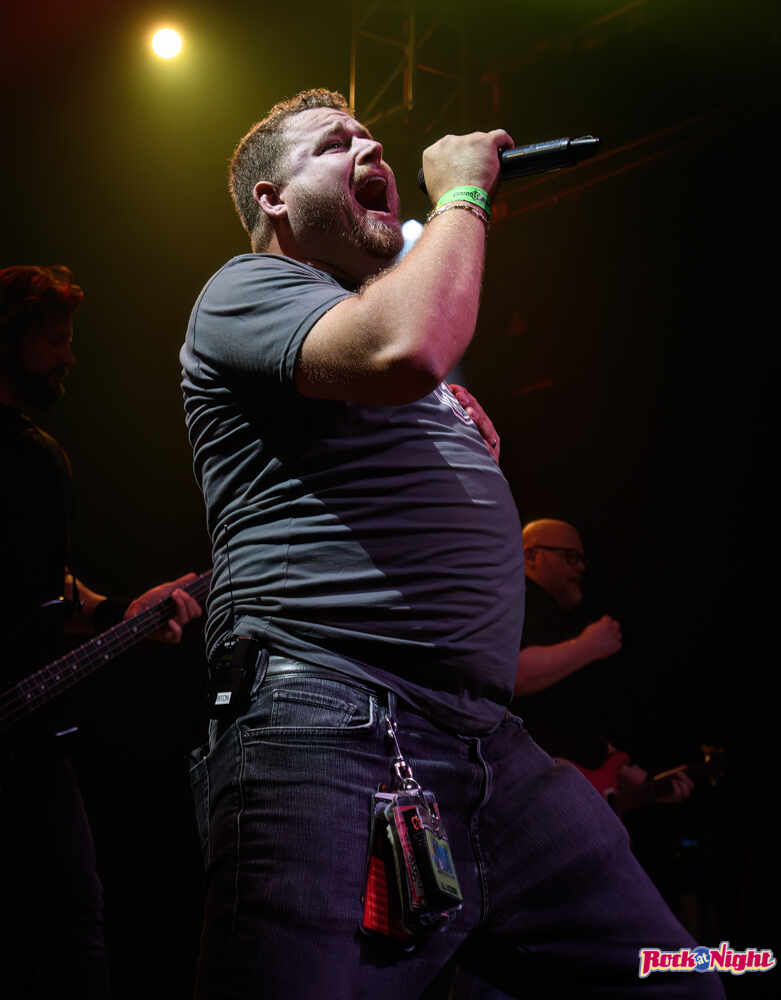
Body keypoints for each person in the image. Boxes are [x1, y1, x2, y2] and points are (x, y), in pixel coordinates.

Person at [180, 89, 723, 998]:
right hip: (329, 716)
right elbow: (408, 347)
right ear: (273, 198)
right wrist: (464, 196)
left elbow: (403, 357)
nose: (370, 147)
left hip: (484, 739)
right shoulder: (245, 290)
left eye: (370, 136)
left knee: (677, 982)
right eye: (335, 143)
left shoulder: (354, 325)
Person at [0, 264, 203, 998]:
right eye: (55, 341)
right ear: (12, 342)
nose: (70, 357)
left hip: (33, 743)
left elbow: (46, 591)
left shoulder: (36, 457)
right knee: (71, 938)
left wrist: (122, 612)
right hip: (23, 760)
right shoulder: (31, 458)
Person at [515, 518, 693, 814]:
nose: (580, 568)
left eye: (581, 559)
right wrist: (589, 645)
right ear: (531, 556)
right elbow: (512, 674)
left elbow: (561, 721)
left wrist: (622, 775)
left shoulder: (556, 617)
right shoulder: (516, 601)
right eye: (569, 557)